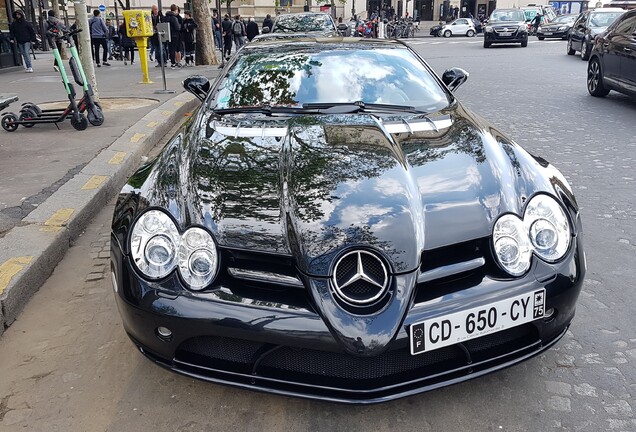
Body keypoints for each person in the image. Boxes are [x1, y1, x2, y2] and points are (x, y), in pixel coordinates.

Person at [163, 4, 181, 68]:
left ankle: (172, 61)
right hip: (175, 35)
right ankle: (174, 62)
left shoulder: (165, 17)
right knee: (174, 49)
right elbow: (177, 27)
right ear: (175, 10)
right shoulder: (174, 18)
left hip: (167, 35)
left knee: (170, 49)